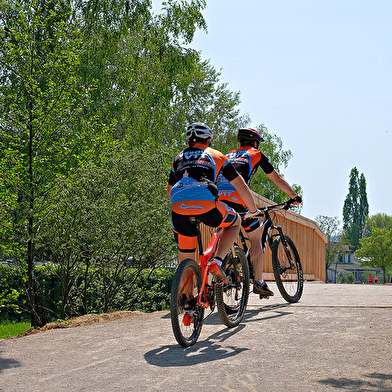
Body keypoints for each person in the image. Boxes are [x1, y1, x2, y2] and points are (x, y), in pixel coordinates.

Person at [167, 122, 259, 283]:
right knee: (235, 222)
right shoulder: (216, 155)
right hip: (207, 206)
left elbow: (169, 192)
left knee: (186, 258)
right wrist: (252, 209)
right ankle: (217, 261)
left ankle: (186, 303)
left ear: (189, 141)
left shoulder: (178, 158)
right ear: (208, 140)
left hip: (179, 209)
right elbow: (241, 186)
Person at [218, 128, 301, 297]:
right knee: (255, 239)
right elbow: (276, 178)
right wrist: (294, 196)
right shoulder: (256, 154)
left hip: (217, 200)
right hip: (238, 199)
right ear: (255, 142)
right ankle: (259, 282)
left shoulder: (228, 155)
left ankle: (222, 262)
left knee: (228, 227)